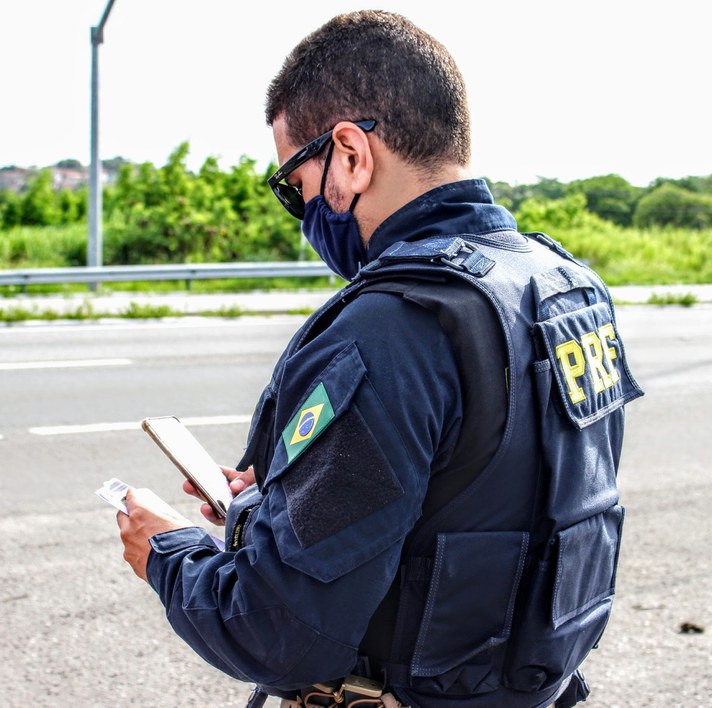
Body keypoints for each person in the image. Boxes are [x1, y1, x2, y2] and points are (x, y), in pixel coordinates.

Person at [117, 10, 642, 708]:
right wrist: (286, 494)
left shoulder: (392, 328)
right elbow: (483, 490)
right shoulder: (563, 286)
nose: (302, 208)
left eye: (294, 184)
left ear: (350, 154)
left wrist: (168, 552)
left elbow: (278, 632)